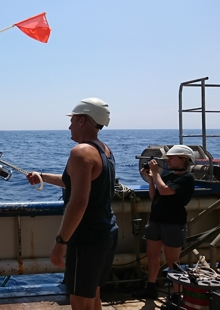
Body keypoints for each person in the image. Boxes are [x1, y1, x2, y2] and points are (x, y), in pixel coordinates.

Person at [26, 97, 118, 310]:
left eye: (73, 120)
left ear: (83, 121)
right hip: (106, 233)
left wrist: (61, 242)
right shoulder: (104, 150)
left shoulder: (80, 152)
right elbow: (76, 184)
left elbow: (79, 201)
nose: (69, 126)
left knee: (79, 302)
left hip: (87, 238)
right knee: (93, 295)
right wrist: (42, 176)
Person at [132, 144, 195, 305]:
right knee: (152, 257)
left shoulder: (186, 178)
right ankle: (151, 287)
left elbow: (166, 191)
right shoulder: (167, 176)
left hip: (173, 223)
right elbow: (155, 196)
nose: (168, 160)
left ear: (183, 160)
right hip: (156, 221)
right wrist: (152, 178)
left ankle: (176, 294)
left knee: (173, 261)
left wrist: (155, 173)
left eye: (172, 158)